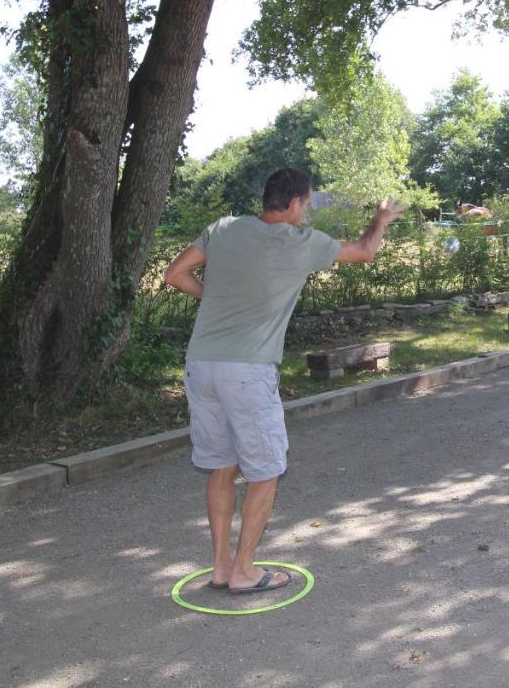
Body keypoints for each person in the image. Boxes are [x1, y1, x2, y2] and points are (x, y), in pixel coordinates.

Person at [164, 168, 403, 594]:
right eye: (308, 204)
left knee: (221, 467)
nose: (307, 212)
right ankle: (242, 573)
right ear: (293, 203)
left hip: (201, 365)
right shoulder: (301, 243)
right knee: (265, 471)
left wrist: (219, 298)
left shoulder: (224, 229)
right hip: (247, 371)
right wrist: (381, 219)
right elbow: (366, 252)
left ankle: (220, 568)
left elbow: (175, 274)